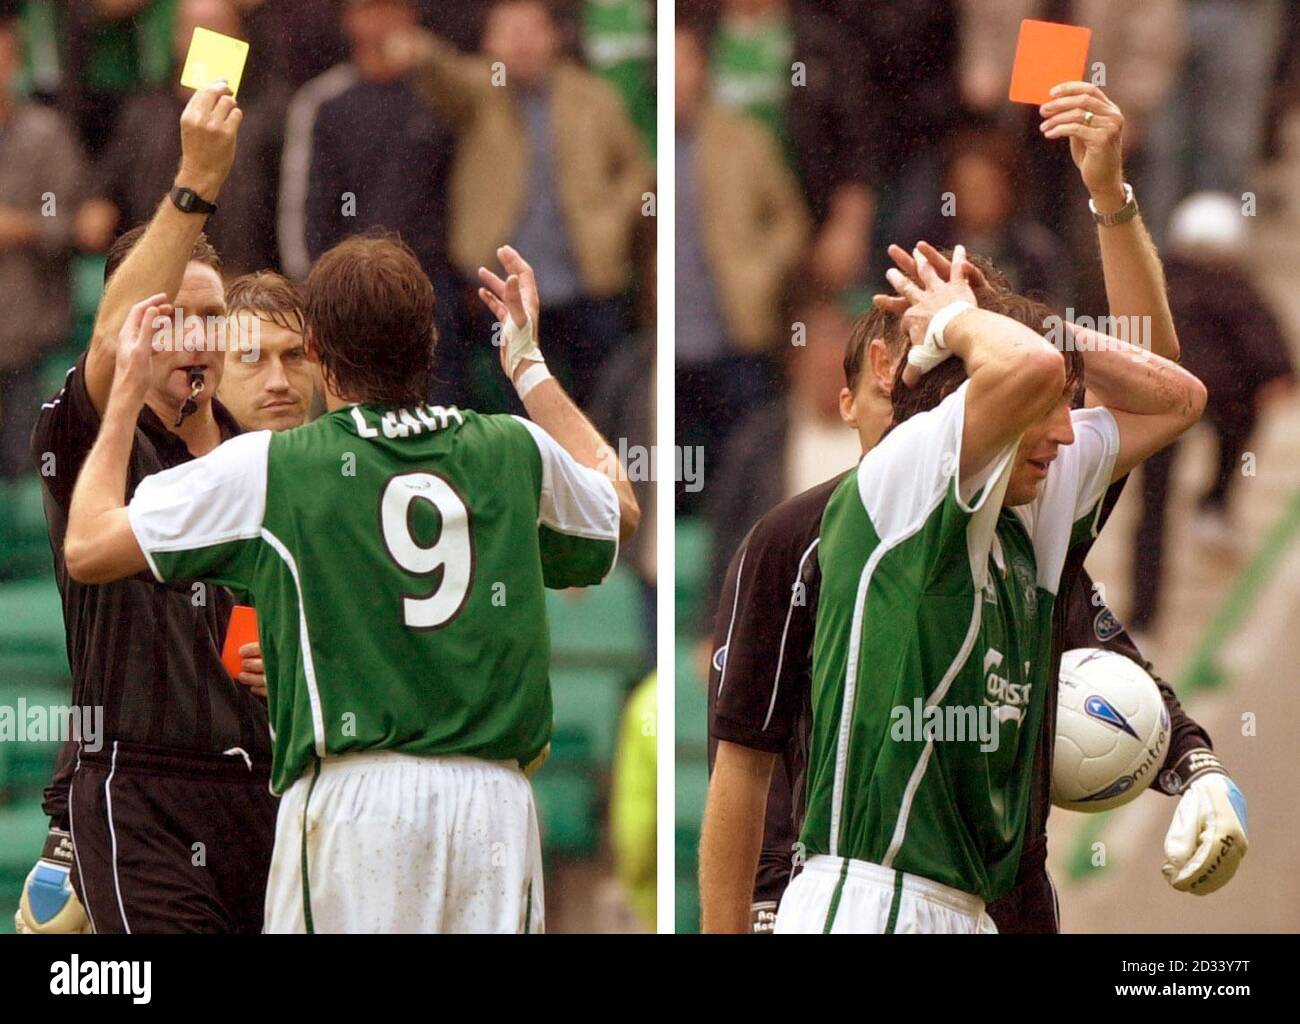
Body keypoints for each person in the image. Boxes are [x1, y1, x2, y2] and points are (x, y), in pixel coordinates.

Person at [60, 239, 639, 933]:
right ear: (429, 342)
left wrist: (124, 391)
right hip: (494, 810)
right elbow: (621, 508)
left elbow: (88, 545)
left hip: (354, 807)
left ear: (317, 352)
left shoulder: (278, 466)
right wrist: (527, 365)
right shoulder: (513, 449)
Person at [23, 83, 278, 934]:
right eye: (172, 320)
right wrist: (194, 182)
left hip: (269, 787)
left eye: (212, 320)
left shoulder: (266, 458)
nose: (196, 337)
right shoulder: (99, 435)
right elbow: (106, 343)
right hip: (142, 789)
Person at [387, 0, 652, 405]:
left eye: (531, 30)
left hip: (587, 281)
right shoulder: (481, 91)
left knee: (600, 404)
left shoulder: (592, 96)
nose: (522, 43)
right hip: (503, 287)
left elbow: (636, 169)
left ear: (553, 37)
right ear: (489, 43)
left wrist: (611, 218)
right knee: (510, 406)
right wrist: (418, 50)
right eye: (508, 32)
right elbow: (443, 74)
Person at [0, 12, 85, 478]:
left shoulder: (45, 134)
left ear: (15, 63)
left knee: (25, 478)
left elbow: (65, 222)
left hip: (24, 341)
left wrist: (23, 225)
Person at [217, 271, 315, 432]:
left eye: (294, 355)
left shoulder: (348, 454)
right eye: (252, 358)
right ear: (214, 370)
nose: (279, 383)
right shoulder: (184, 456)